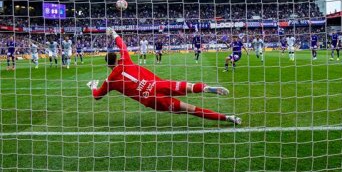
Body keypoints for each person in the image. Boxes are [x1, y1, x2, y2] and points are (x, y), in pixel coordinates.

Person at [87, 29, 240, 125]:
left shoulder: (110, 81)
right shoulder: (125, 59)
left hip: (151, 99)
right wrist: (114, 33)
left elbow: (97, 96)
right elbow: (123, 46)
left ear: (108, 65)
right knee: (190, 87)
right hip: (158, 84)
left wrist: (93, 86)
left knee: (190, 109)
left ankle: (227, 118)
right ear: (117, 58)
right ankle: (206, 88)